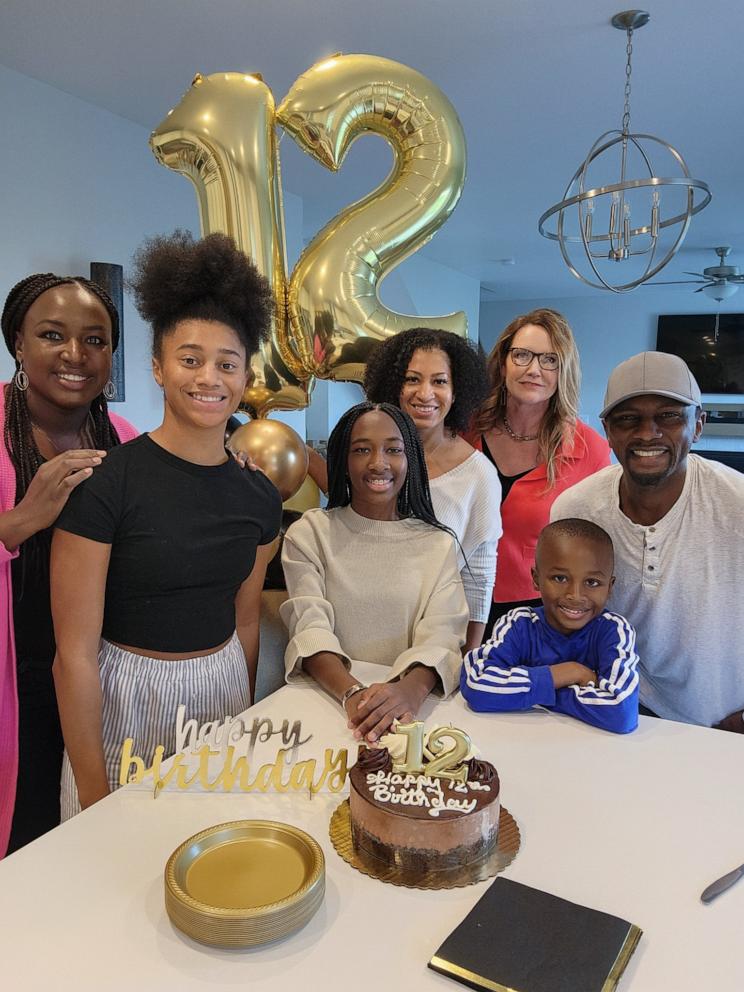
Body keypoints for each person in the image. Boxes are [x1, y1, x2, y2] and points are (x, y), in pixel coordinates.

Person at [50, 232, 282, 816]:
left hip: (221, 690)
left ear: (244, 375)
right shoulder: (105, 484)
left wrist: (243, 722)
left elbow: (247, 621)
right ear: (157, 367)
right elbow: (72, 655)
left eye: (226, 364)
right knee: (112, 880)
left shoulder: (258, 496)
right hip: (123, 697)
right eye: (190, 359)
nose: (209, 377)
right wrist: (95, 795)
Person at [0, 273, 137, 856]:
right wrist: (19, 521)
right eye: (53, 335)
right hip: (14, 679)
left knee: (83, 835)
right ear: (19, 346)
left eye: (96, 340)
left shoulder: (126, 441)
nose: (76, 355)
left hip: (93, 677)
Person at [551, 351, 744, 731]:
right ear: (608, 430)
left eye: (668, 416)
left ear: (699, 424)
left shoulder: (737, 504)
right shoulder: (576, 510)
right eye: (628, 419)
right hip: (613, 711)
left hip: (722, 723)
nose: (647, 433)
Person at [281, 401, 468, 743]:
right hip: (328, 704)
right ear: (342, 460)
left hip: (412, 715)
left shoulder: (437, 543)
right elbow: (309, 627)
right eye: (362, 449)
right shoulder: (311, 533)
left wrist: (409, 692)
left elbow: (443, 634)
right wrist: (354, 696)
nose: (378, 463)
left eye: (393, 450)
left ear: (410, 458)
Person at [359, 328, 502, 652]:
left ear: (457, 391)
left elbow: (479, 580)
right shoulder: (370, 458)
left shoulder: (478, 475)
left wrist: (466, 659)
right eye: (412, 379)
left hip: (438, 645)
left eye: (439, 381)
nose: (425, 394)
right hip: (361, 632)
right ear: (394, 387)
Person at [467, 308, 610, 629]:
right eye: (522, 356)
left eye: (550, 360)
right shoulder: (462, 429)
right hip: (453, 596)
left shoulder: (590, 450)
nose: (534, 369)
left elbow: (596, 547)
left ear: (563, 372)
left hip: (535, 610)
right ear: (502, 363)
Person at [461, 519, 639, 734]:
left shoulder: (614, 631)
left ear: (610, 587)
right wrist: (570, 672)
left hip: (591, 754)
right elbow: (476, 685)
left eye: (592, 582)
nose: (575, 595)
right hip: (523, 744)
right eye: (560, 578)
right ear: (536, 579)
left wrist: (533, 692)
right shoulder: (519, 623)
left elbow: (621, 712)